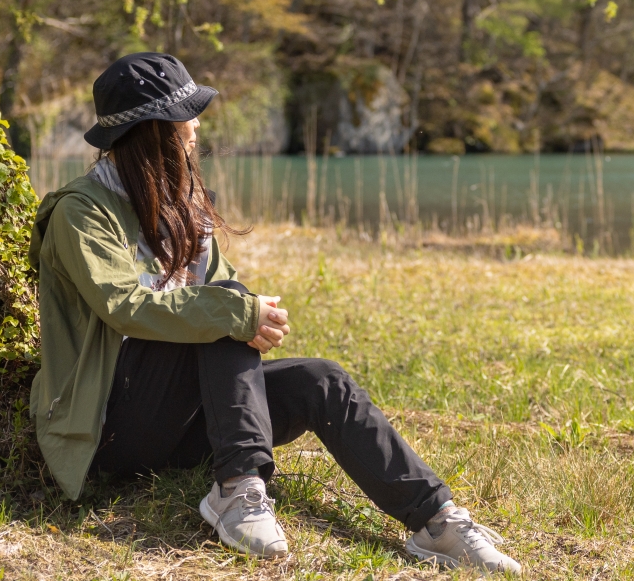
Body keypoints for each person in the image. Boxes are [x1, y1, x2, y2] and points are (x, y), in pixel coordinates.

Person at [29, 52, 521, 571]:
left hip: (184, 421)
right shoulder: (81, 211)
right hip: (109, 424)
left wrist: (247, 314)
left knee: (323, 382)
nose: (196, 127)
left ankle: (437, 521)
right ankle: (239, 488)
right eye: (185, 116)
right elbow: (124, 308)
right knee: (226, 312)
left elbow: (218, 290)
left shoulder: (181, 198)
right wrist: (240, 314)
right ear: (152, 131)